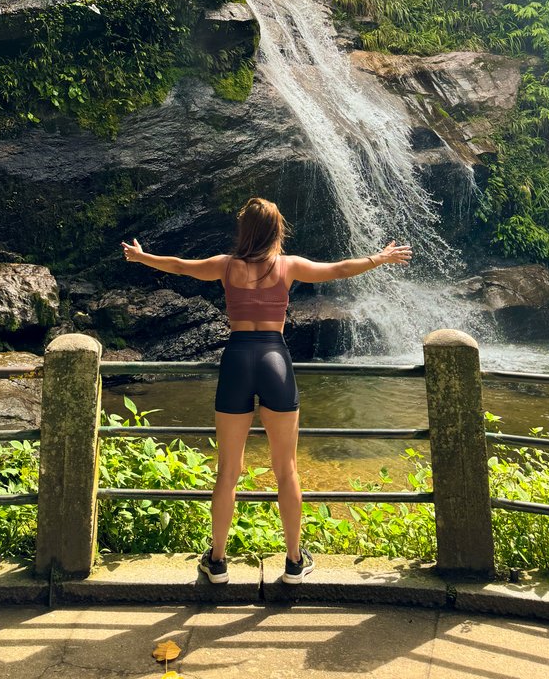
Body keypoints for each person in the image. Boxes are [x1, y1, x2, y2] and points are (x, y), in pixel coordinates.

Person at [122, 196, 412, 584]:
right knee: (286, 469)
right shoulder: (288, 266)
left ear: (245, 231)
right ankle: (294, 561)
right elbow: (339, 269)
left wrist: (144, 258)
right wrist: (379, 258)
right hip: (275, 359)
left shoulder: (226, 266)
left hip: (237, 359)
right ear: (277, 231)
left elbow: (180, 266)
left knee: (227, 471)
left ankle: (218, 561)